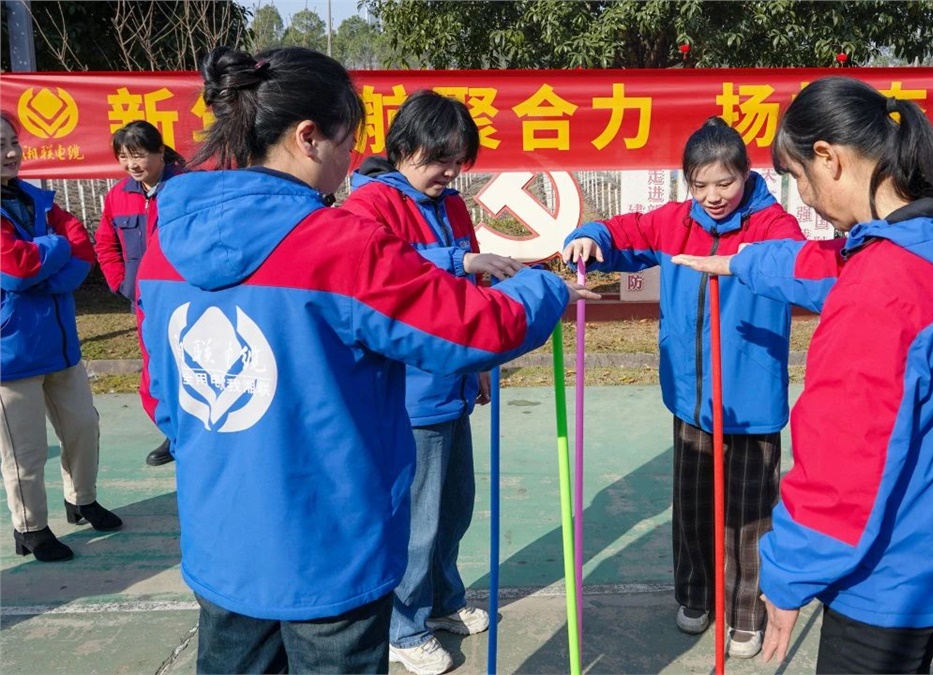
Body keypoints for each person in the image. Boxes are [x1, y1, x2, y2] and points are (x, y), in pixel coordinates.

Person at [136, 46, 596, 675]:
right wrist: (543, 285)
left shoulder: (164, 245)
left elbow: (162, 397)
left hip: (222, 541)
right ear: (308, 137)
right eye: (348, 141)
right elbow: (476, 326)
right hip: (330, 545)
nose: (352, 159)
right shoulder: (339, 244)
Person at [673, 76, 933, 673]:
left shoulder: (880, 293)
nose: (805, 197)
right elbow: (824, 266)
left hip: (885, 573)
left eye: (799, 178)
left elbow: (842, 462)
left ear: (829, 157)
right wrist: (740, 262)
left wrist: (787, 574)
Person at [562, 117, 805, 659]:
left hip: (749, 401)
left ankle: (745, 614)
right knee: (692, 505)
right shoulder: (674, 221)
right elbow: (624, 233)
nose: (713, 197)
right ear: (687, 182)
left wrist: (741, 262)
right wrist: (590, 237)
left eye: (725, 183)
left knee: (749, 517)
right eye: (701, 184)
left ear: (746, 174)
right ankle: (695, 595)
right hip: (692, 398)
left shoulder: (772, 223)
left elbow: (794, 264)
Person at [341, 90, 524, 675]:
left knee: (452, 508)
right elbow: (381, 275)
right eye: (439, 158)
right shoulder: (371, 203)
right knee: (416, 522)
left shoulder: (452, 206)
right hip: (409, 394)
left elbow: (470, 295)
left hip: (452, 383)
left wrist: (479, 364)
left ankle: (443, 601)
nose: (449, 171)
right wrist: (458, 261)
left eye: (457, 160)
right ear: (404, 146)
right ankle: (404, 627)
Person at [0, 111, 123, 563]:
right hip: (11, 354)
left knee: (83, 427)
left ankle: (81, 499)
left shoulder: (40, 200)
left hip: (61, 345)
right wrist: (55, 249)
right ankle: (30, 527)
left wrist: (46, 266)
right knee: (25, 451)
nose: (10, 153)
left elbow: (82, 249)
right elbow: (15, 271)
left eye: (13, 142)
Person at [95, 120, 185, 467]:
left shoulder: (187, 188)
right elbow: (106, 245)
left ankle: (195, 432)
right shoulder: (118, 196)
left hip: (184, 298)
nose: (132, 165)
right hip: (144, 302)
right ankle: (172, 433)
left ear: (160, 152)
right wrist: (123, 283)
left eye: (139, 155)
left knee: (188, 366)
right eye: (124, 157)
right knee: (155, 372)